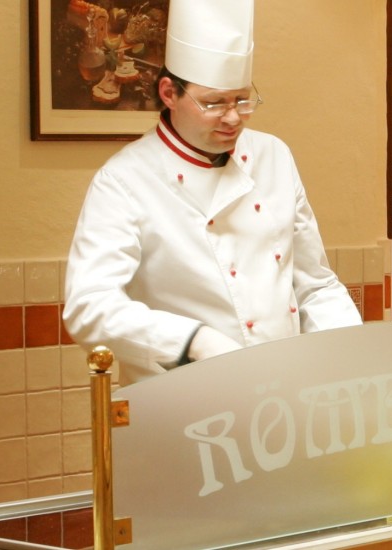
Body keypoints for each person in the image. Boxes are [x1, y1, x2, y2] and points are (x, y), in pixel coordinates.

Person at [63, 0, 360, 384]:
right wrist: (193, 341)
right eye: (214, 103)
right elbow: (89, 307)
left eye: (242, 99)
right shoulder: (125, 180)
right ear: (169, 93)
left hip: (281, 389)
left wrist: (354, 355)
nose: (233, 117)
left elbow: (315, 284)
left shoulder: (273, 156)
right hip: (182, 398)